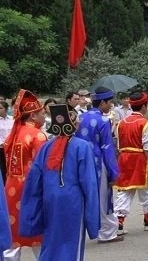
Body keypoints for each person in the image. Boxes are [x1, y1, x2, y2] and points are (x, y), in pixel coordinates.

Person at [19, 105, 100, 260]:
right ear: (73, 124)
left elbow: (34, 181)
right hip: (73, 201)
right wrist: (92, 218)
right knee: (72, 242)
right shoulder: (82, 146)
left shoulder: (46, 147)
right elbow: (89, 182)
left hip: (50, 200)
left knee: (52, 239)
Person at [75, 87, 123, 244]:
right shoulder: (103, 121)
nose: (111, 105)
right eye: (109, 102)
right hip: (97, 163)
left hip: (80, 161)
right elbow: (107, 148)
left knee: (85, 195)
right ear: (102, 102)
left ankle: (84, 230)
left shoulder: (79, 118)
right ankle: (106, 232)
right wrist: (113, 172)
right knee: (103, 197)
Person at [3, 89, 47, 258]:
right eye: (42, 113)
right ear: (32, 116)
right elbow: (43, 166)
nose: (44, 116)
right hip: (31, 189)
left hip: (11, 188)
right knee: (39, 233)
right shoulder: (37, 135)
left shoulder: (14, 134)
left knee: (13, 235)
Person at [114, 92, 148, 235]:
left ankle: (119, 224)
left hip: (124, 159)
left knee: (124, 191)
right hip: (139, 160)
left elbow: (118, 144)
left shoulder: (122, 122)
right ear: (144, 106)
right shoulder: (144, 123)